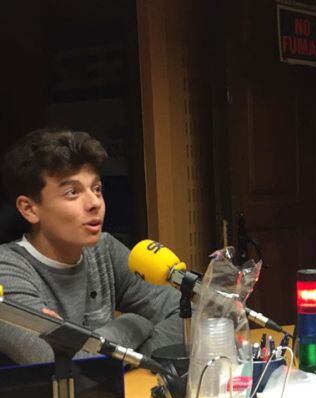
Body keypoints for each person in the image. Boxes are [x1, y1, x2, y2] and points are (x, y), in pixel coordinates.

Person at [0, 128, 183, 365]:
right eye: (72, 192)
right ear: (29, 208)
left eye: (97, 189)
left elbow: (184, 314)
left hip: (121, 388)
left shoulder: (105, 250)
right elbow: (59, 364)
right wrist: (135, 322)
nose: (94, 202)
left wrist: (129, 358)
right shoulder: (7, 269)